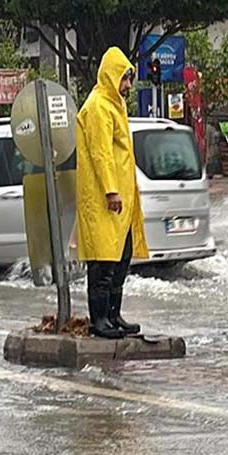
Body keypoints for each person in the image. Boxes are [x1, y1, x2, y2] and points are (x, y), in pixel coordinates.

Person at [76, 47, 150, 339]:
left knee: (121, 258)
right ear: (111, 76)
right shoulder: (98, 107)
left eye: (129, 79)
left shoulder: (114, 104)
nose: (128, 86)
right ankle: (99, 320)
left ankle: (113, 315)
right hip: (104, 199)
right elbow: (101, 153)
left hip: (121, 199)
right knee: (103, 261)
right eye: (124, 79)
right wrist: (110, 190)